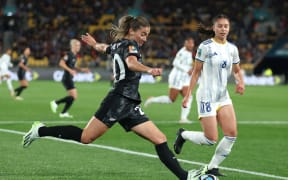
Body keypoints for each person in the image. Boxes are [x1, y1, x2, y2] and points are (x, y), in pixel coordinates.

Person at [22, 15, 197, 180]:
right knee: (86, 138)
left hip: (129, 102)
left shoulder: (117, 45)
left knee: (159, 138)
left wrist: (93, 44)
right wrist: (149, 69)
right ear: (131, 31)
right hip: (118, 100)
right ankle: (40, 130)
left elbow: (103, 48)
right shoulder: (131, 45)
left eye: (147, 35)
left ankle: (185, 176)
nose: (145, 38)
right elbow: (131, 63)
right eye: (142, 34)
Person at [174, 14, 245, 177]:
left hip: (223, 96)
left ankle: (212, 167)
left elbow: (237, 70)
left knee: (231, 134)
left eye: (226, 26)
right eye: (219, 26)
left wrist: (240, 82)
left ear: (229, 28)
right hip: (206, 96)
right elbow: (196, 72)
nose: (223, 29)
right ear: (214, 28)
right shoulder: (205, 46)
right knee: (211, 139)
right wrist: (187, 96)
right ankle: (183, 134)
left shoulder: (232, 49)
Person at [144, 37, 195, 124]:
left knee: (189, 97)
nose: (191, 45)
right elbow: (175, 63)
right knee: (171, 100)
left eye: (192, 43)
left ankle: (183, 119)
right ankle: (152, 99)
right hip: (176, 77)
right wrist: (187, 70)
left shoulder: (189, 53)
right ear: (185, 44)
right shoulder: (182, 52)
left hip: (183, 78)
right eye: (189, 43)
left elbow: (186, 65)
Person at [50, 39, 90, 118]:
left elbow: (73, 66)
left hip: (69, 77)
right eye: (77, 45)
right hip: (67, 78)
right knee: (74, 96)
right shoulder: (68, 54)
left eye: (79, 45)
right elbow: (61, 63)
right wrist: (70, 70)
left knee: (72, 97)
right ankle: (55, 103)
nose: (79, 47)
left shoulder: (74, 56)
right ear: (73, 46)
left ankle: (63, 113)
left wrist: (82, 69)